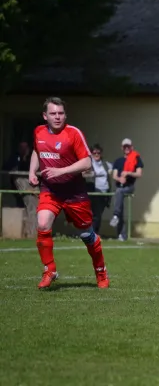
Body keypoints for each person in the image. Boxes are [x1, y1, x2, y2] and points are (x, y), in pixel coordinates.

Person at [29, 97, 109, 289]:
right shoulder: (38, 132)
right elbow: (36, 151)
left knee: (87, 235)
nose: (57, 117)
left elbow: (87, 163)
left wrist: (61, 171)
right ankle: (50, 270)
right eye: (53, 113)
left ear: (65, 115)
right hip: (51, 189)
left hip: (74, 192)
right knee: (42, 223)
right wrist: (32, 171)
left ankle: (101, 271)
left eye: (61, 113)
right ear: (45, 116)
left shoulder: (73, 134)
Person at [110, 138, 143, 241]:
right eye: (125, 147)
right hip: (120, 186)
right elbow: (114, 175)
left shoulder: (136, 159)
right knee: (121, 210)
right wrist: (120, 178)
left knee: (118, 194)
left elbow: (139, 173)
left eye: (128, 146)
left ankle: (115, 215)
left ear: (131, 147)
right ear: (122, 148)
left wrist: (128, 173)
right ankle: (122, 235)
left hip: (129, 187)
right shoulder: (118, 161)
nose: (126, 148)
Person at [84, 144, 113, 234]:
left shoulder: (106, 164)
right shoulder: (89, 163)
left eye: (98, 153)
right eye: (94, 153)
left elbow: (112, 172)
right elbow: (83, 174)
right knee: (95, 214)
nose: (96, 154)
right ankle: (93, 233)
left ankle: (94, 233)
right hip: (94, 192)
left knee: (98, 214)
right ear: (91, 153)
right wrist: (92, 174)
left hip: (104, 193)